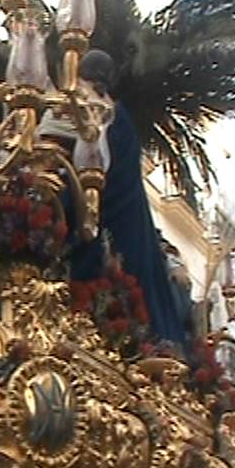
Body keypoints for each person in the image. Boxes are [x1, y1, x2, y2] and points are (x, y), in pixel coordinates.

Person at [46, 49, 191, 347]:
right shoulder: (120, 115)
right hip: (129, 219)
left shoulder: (77, 102)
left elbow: (48, 145)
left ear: (80, 72)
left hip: (97, 212)